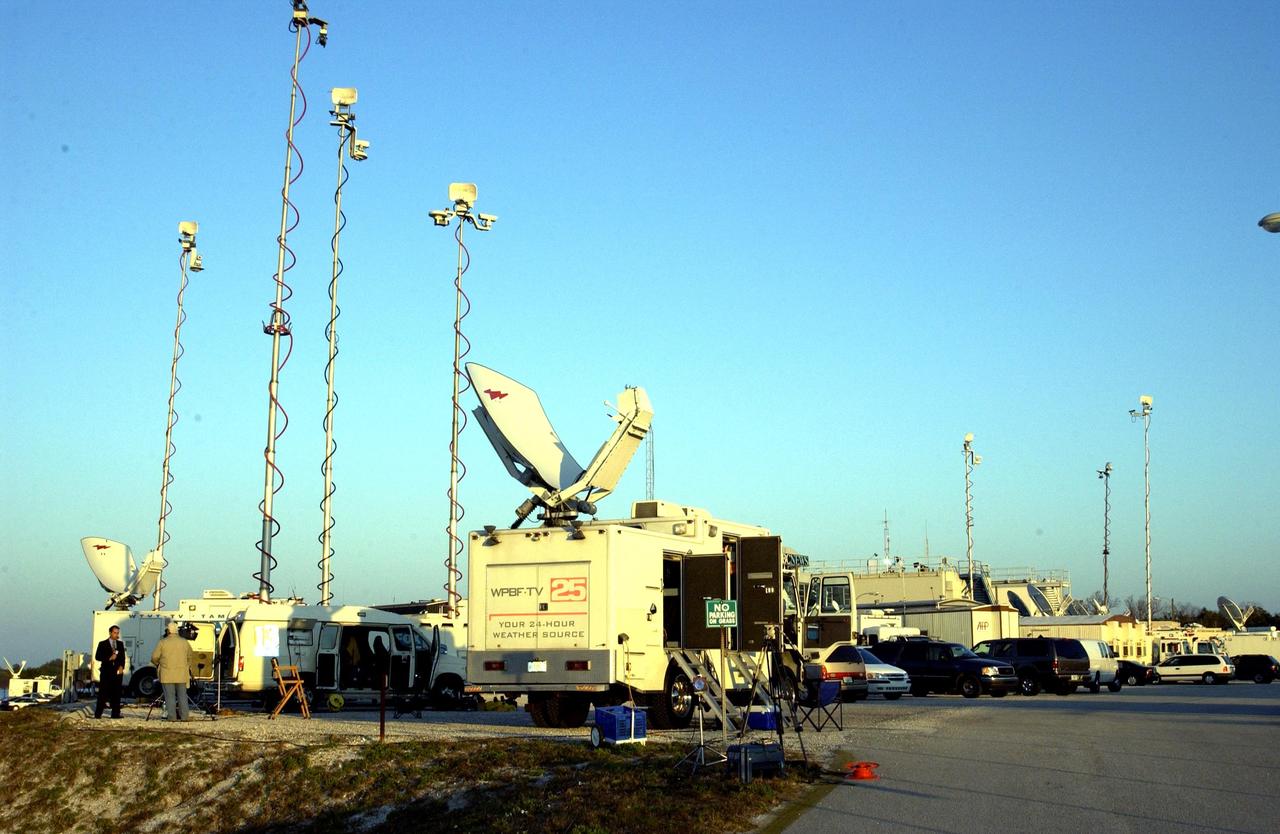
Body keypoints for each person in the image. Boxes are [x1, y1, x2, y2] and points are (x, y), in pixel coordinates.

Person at [151, 622, 193, 721]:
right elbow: (190, 655)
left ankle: (172, 717)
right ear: (176, 630)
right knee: (182, 696)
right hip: (181, 674)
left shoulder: (163, 642)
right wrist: (187, 665)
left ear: (168, 630)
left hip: (167, 674)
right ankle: (185, 717)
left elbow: (154, 657)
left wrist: (158, 663)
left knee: (170, 697)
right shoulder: (184, 642)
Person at [94, 625, 127, 719]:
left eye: (117, 633)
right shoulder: (102, 644)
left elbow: (122, 657)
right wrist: (109, 658)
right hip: (106, 672)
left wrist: (121, 667)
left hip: (117, 672)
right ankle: (98, 714)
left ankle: (115, 713)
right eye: (115, 633)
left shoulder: (120, 644)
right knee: (103, 693)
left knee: (116, 693)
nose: (116, 634)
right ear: (110, 633)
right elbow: (98, 657)